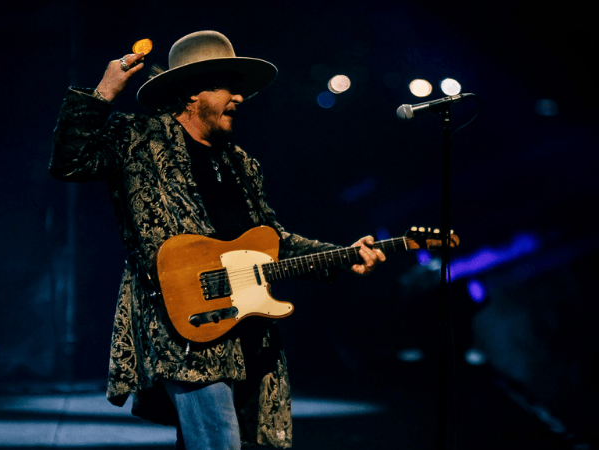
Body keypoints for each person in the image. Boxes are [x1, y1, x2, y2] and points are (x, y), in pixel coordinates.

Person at [49, 30, 385, 449]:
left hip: (250, 332)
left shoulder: (242, 163)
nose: (240, 98)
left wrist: (342, 255)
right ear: (192, 92)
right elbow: (70, 162)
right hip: (185, 333)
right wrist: (101, 94)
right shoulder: (139, 139)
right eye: (229, 87)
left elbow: (274, 241)